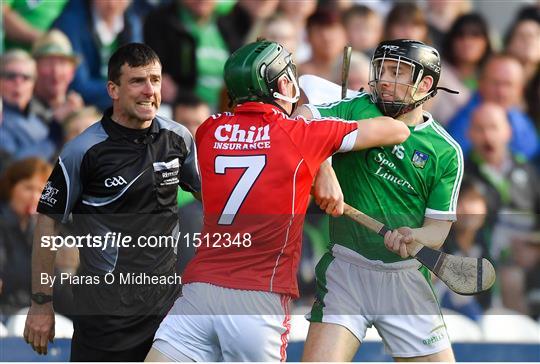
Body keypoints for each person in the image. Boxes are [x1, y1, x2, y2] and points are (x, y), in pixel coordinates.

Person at [145, 40, 410, 362]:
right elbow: (396, 130)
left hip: (199, 294)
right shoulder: (302, 135)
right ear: (282, 83)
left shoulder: (209, 130)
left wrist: (319, 164)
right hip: (259, 299)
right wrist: (324, 156)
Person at [23, 43, 201, 361]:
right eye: (137, 81)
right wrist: (41, 303)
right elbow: (47, 221)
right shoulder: (84, 150)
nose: (150, 91)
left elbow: (212, 201)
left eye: (156, 80)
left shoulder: (179, 139)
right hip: (104, 318)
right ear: (113, 89)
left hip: (166, 315)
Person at [296, 39, 463, 361]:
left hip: (406, 278)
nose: (385, 79)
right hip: (346, 270)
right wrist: (325, 168)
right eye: (382, 69)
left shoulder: (445, 152)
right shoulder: (356, 107)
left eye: (398, 72)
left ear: (425, 84)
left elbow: (437, 231)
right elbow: (302, 119)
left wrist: (415, 236)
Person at [447, 54, 538, 159]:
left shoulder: (523, 122)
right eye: (495, 83)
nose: (501, 92)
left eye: (508, 84)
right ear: (481, 83)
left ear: (520, 89)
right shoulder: (464, 122)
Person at [0, 49, 56, 161]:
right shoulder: (1, 120)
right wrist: (55, 134)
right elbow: (13, 164)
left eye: (26, 77)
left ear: (34, 84)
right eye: (10, 76)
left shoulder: (42, 114)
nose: (18, 82)